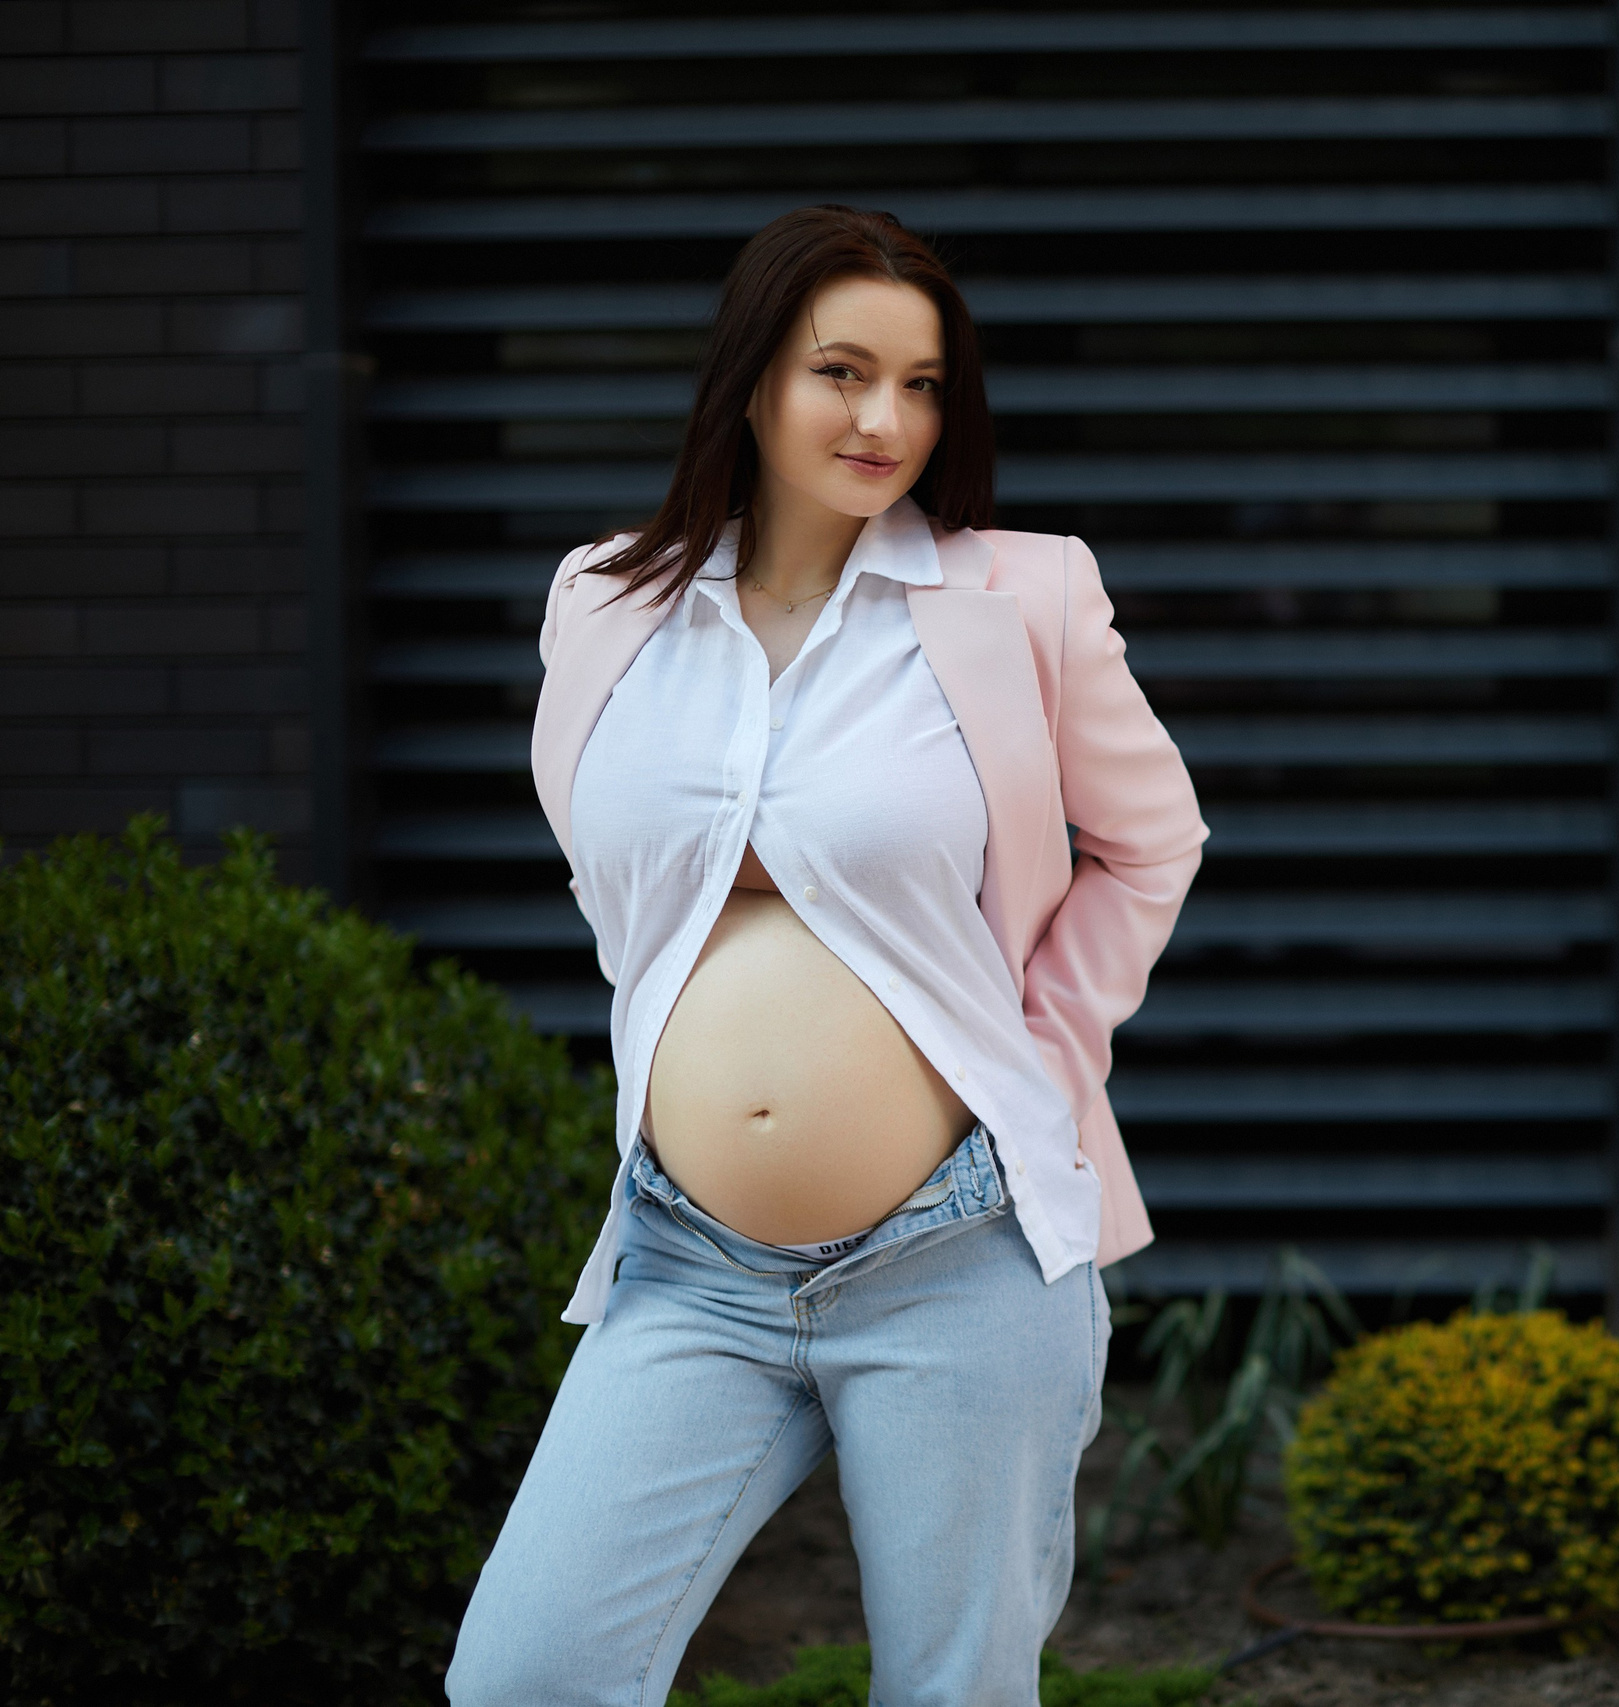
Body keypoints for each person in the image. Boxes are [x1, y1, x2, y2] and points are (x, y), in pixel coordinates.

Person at [446, 204, 1207, 1707]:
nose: (885, 418)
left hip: (960, 1256)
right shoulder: (608, 603)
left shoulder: (1020, 595)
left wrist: (1035, 1065)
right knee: (526, 1673)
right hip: (687, 1265)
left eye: (921, 384)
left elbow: (1153, 844)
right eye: (841, 371)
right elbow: (618, 885)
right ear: (750, 378)